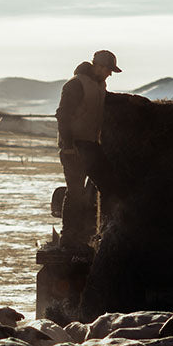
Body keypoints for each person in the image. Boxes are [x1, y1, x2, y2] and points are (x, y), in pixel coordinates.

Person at [54, 49, 121, 247]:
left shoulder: (99, 85)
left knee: (108, 184)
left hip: (90, 145)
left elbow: (108, 99)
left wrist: (132, 100)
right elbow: (62, 115)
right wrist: (67, 146)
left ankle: (103, 232)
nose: (110, 74)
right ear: (99, 66)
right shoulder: (75, 85)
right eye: (109, 70)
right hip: (74, 146)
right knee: (75, 193)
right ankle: (69, 239)